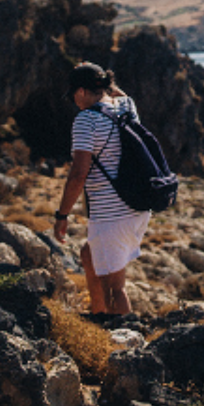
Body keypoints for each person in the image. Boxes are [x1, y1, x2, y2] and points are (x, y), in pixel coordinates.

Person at [55, 62, 152, 315]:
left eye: (75, 94)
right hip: (138, 206)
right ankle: (98, 316)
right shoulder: (127, 109)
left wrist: (62, 215)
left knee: (115, 287)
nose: (75, 101)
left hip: (112, 213)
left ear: (80, 92)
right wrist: (102, 79)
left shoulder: (86, 119)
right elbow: (119, 94)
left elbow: (78, 174)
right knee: (89, 255)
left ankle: (122, 342)